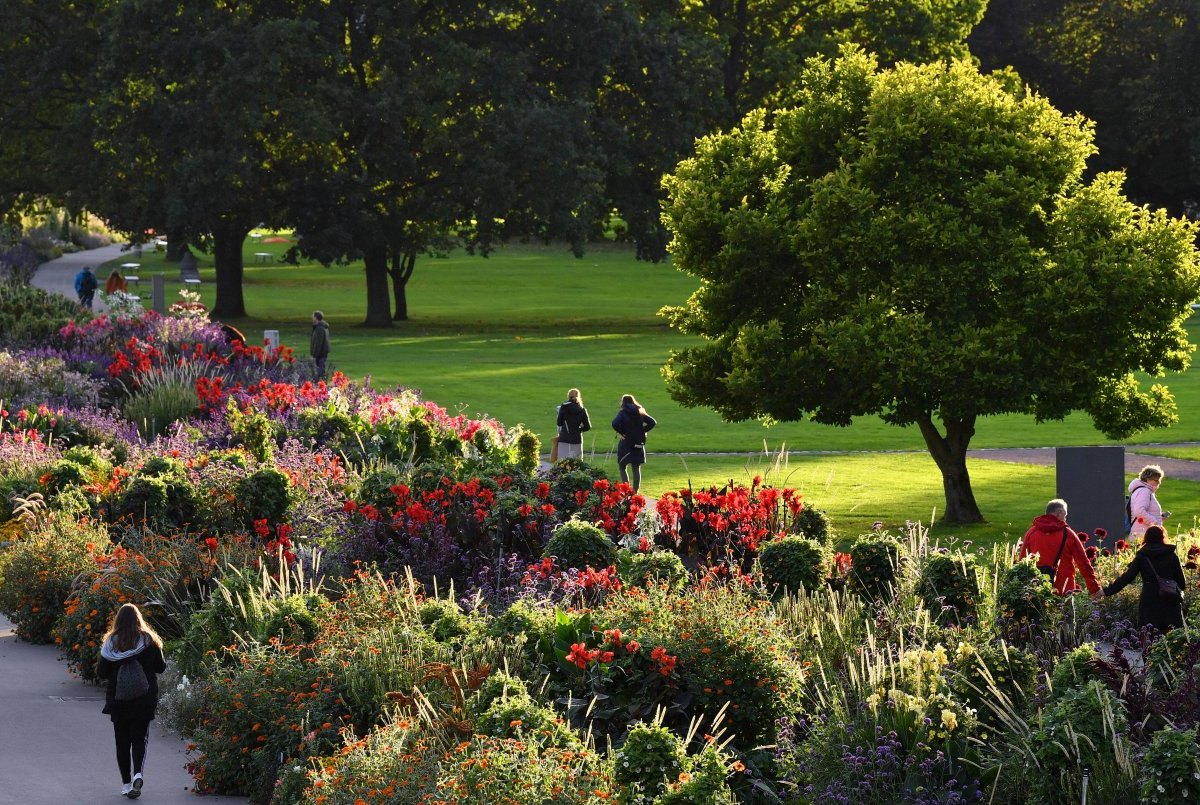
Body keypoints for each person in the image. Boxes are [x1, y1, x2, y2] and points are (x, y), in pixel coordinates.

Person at [96, 603, 167, 799]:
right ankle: (138, 774)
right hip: (144, 699)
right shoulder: (149, 641)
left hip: (119, 700)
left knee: (122, 742)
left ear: (118, 620)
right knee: (139, 739)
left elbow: (102, 672)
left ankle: (126, 783)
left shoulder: (111, 643)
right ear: (139, 619)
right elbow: (160, 668)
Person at [1103, 525, 1186, 632]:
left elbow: (1127, 578)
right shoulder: (1172, 556)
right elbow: (1182, 584)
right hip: (1170, 608)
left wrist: (1106, 591)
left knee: (1149, 641)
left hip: (1149, 607)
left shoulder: (1142, 556)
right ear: (1163, 537)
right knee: (1170, 643)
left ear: (1146, 538)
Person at [1018, 498, 1102, 598]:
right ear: (1059, 512)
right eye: (1065, 516)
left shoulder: (1032, 532)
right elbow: (1083, 563)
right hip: (1064, 589)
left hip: (1037, 589)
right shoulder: (1068, 533)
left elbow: (1022, 562)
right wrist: (1094, 589)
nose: (1065, 519)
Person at [611, 394, 656, 491]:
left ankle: (626, 489)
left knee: (622, 466)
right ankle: (635, 491)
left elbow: (614, 423)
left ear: (623, 402)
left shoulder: (623, 412)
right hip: (638, 443)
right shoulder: (640, 412)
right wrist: (643, 430)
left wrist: (622, 432)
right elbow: (652, 422)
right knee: (636, 467)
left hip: (626, 443)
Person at [1129, 464, 1169, 540]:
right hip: (1143, 535)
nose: (1159, 483)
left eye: (1159, 480)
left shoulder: (1143, 490)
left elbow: (1144, 511)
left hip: (1143, 533)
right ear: (1147, 479)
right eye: (1156, 480)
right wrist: (1155, 523)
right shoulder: (1145, 491)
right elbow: (1139, 511)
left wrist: (1159, 516)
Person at [556, 388, 591, 461]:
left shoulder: (564, 407)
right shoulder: (582, 410)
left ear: (568, 396)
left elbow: (559, 423)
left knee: (562, 464)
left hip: (564, 438)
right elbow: (587, 426)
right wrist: (578, 429)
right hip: (576, 439)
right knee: (577, 464)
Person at [310, 310, 330, 378]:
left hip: (320, 354)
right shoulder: (321, 327)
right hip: (322, 352)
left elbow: (318, 343)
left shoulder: (320, 329)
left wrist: (314, 355)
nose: (312, 318)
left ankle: (320, 382)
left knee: (320, 370)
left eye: (313, 316)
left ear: (316, 318)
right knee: (321, 369)